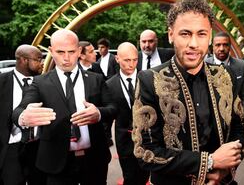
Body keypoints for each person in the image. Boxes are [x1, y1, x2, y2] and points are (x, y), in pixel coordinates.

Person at [132, 0, 244, 185]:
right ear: (171, 34)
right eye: (185, 34)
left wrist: (223, 170)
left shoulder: (225, 76)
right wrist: (209, 163)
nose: (194, 43)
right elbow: (145, 151)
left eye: (201, 34)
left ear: (210, 35)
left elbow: (239, 129)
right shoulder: (149, 80)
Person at [12, 29, 113, 185]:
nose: (66, 58)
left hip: (94, 160)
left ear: (79, 51)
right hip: (56, 162)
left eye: (71, 52)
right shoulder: (40, 82)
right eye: (60, 52)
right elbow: (19, 110)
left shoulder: (96, 79)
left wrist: (98, 113)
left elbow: (113, 108)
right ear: (51, 51)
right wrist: (24, 117)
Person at [105, 42, 149, 185]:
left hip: (147, 138)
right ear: (117, 59)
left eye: (134, 60)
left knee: (145, 176)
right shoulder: (109, 85)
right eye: (126, 60)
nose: (131, 64)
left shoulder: (147, 79)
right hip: (124, 139)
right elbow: (108, 117)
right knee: (129, 177)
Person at [0, 44, 44, 185]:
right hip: (9, 149)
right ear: (24, 60)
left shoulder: (46, 82)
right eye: (38, 59)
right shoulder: (2, 82)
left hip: (39, 147)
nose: (42, 63)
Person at [205, 31, 244, 138]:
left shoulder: (242, 65)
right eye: (218, 45)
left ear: (230, 46)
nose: (221, 48)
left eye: (225, 45)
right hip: (210, 124)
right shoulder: (203, 65)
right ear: (212, 46)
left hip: (235, 122)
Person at [96, 38, 119, 146]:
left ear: (107, 48)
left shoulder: (113, 59)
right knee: (106, 115)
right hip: (104, 89)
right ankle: (107, 137)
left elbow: (117, 73)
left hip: (113, 87)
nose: (100, 49)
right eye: (99, 47)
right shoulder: (98, 61)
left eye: (102, 47)